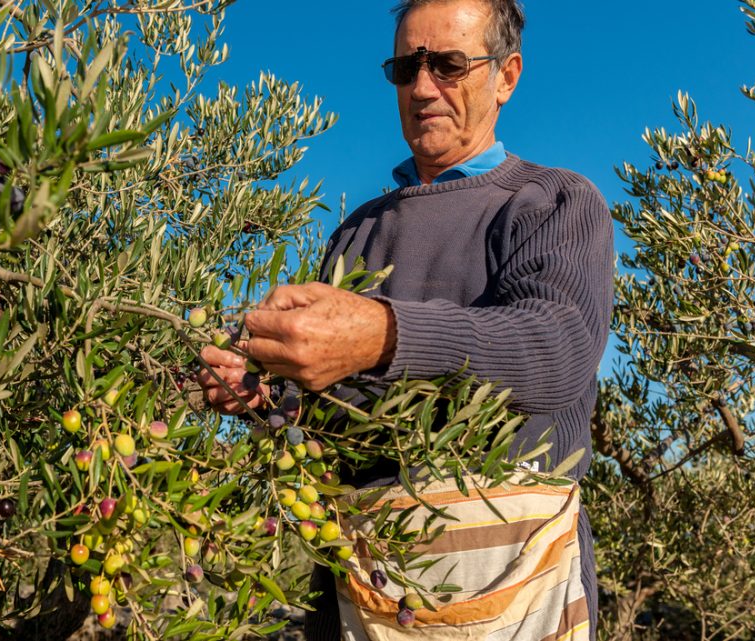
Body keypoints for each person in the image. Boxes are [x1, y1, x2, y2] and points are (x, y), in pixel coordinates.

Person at [197, 0, 613, 639]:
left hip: (519, 586)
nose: (422, 88)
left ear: (506, 76)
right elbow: (333, 419)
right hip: (364, 591)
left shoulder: (554, 202)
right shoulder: (356, 232)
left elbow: (555, 351)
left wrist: (384, 334)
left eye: (448, 64)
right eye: (405, 68)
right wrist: (264, 396)